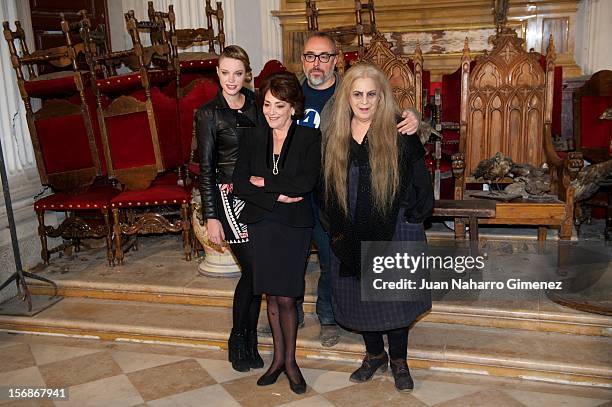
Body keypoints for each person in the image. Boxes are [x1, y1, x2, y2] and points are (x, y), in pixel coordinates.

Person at [294, 32, 421, 347]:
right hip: (313, 201)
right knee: (308, 265)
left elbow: (409, 159)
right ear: (302, 59)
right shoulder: (295, 96)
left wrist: (414, 116)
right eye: (311, 56)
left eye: (325, 56)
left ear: (336, 60)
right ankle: (297, 313)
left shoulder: (365, 102)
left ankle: (336, 322)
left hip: (363, 208)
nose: (317, 63)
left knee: (349, 269)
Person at [322, 63, 433, 392]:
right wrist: (334, 226)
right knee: (360, 297)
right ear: (347, 96)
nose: (365, 101)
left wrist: (411, 220)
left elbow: (420, 183)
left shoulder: (400, 131)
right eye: (357, 94)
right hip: (350, 227)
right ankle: (374, 355)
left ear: (382, 96)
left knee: (393, 297)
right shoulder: (334, 133)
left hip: (394, 228)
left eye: (372, 94)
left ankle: (399, 359)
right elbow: (324, 185)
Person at [233, 71, 321, 395]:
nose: (271, 112)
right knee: (270, 294)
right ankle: (277, 361)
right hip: (260, 223)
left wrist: (265, 183)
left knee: (287, 295)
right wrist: (277, 193)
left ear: (294, 107)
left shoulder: (310, 138)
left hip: (294, 226)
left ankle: (291, 361)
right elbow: (242, 184)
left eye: (279, 106)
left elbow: (305, 183)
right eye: (267, 104)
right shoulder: (253, 137)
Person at [195, 45, 263, 372]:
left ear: (246, 73)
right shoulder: (208, 113)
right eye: (225, 73)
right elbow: (205, 169)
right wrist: (211, 217)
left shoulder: (257, 103)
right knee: (253, 270)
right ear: (217, 74)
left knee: (259, 273)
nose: (231, 80)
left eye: (238, 73)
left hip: (259, 195)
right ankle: (238, 339)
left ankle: (250, 340)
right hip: (228, 198)